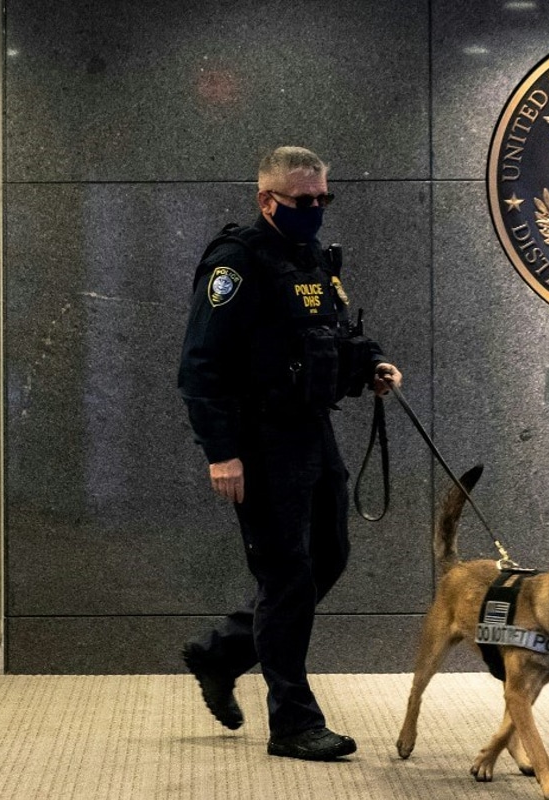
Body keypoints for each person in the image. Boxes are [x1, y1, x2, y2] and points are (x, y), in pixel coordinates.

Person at [177, 146, 402, 761]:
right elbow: (200, 365)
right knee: (285, 576)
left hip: (310, 432)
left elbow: (329, 335)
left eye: (323, 199)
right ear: (266, 200)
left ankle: (222, 652)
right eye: (304, 202)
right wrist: (221, 452)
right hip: (259, 441)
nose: (316, 210)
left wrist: (370, 364)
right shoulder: (236, 263)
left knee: (327, 559)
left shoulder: (309, 258)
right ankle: (294, 722)